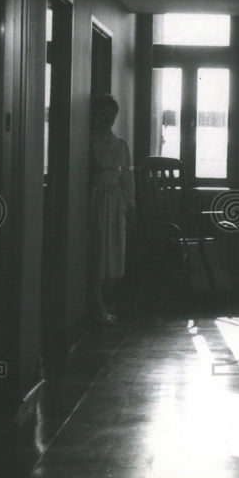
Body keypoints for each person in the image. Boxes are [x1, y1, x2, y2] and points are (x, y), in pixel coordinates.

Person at [88, 93, 135, 326]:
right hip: (96, 198)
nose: (108, 119)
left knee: (115, 250)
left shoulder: (121, 144)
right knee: (97, 249)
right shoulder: (89, 140)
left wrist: (130, 204)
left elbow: (127, 176)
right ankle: (96, 306)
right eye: (103, 114)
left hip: (115, 200)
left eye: (111, 114)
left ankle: (105, 302)